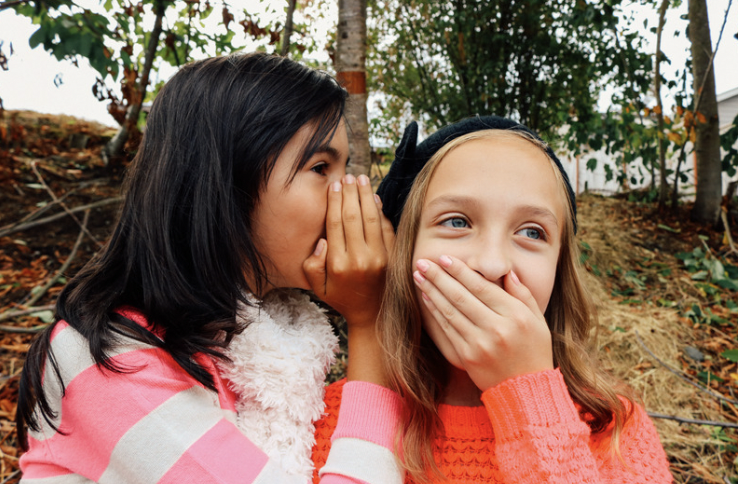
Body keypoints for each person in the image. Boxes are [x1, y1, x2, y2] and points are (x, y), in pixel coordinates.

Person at [16, 53, 404, 484]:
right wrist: (370, 325)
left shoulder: (263, 340)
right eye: (320, 168)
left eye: (347, 170)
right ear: (226, 185)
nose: (350, 197)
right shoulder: (104, 360)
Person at [312, 116, 673, 483]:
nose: (490, 264)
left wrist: (529, 397)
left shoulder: (617, 431)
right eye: (456, 222)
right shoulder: (325, 420)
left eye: (532, 231)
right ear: (402, 252)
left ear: (559, 270)